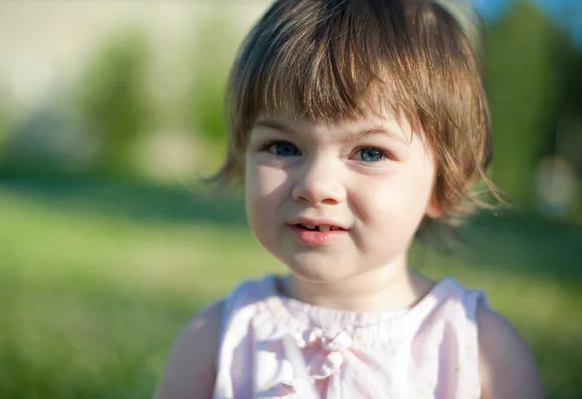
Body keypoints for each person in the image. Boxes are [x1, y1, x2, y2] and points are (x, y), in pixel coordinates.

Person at [153, 0, 544, 397]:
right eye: (283, 147)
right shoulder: (220, 339)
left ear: (444, 185)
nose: (316, 185)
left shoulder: (477, 350)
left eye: (370, 153)